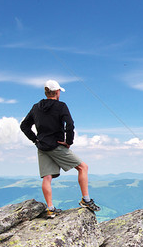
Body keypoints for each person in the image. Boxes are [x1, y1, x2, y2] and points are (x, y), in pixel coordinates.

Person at [20, 80, 100, 218]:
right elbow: (70, 124)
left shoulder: (36, 107)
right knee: (83, 167)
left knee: (47, 177)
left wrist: (35, 139)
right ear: (57, 92)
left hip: (42, 146)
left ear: (46, 92)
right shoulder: (61, 106)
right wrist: (68, 142)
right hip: (57, 145)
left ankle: (50, 209)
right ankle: (86, 200)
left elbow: (24, 126)